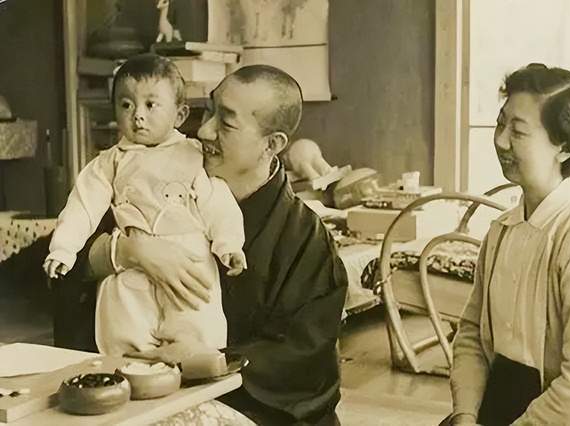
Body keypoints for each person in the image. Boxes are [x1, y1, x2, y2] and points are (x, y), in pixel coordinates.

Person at [54, 64, 348, 425]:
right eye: (208, 111)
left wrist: (203, 359)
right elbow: (47, 269)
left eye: (225, 122)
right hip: (135, 391)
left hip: (248, 407)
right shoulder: (141, 181)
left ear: (271, 145)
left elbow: (304, 360)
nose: (204, 129)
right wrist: (126, 252)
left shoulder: (304, 237)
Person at [447, 64, 570, 425]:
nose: (501, 140)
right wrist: (465, 413)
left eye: (518, 131)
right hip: (503, 403)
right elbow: (471, 335)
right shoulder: (501, 230)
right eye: (500, 124)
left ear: (564, 147)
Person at [44, 53, 246, 356]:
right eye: (126, 105)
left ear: (179, 115)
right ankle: (131, 361)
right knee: (125, 324)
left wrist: (229, 244)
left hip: (189, 258)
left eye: (151, 105)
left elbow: (217, 202)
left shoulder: (193, 155)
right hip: (133, 261)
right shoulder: (110, 162)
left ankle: (191, 356)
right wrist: (63, 249)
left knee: (195, 318)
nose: (137, 115)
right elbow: (82, 206)